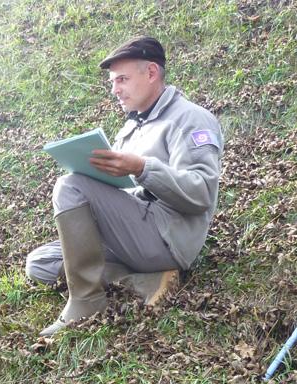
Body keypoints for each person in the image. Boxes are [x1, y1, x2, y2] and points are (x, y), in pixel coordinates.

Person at [24, 36, 224, 336]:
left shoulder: (191, 119)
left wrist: (142, 168)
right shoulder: (132, 126)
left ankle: (86, 301)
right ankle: (142, 279)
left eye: (122, 79)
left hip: (166, 236)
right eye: (113, 82)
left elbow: (201, 194)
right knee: (39, 264)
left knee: (70, 186)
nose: (115, 90)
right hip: (132, 231)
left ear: (152, 73)